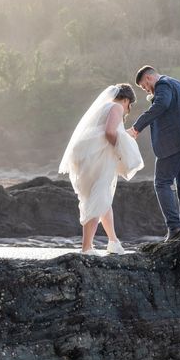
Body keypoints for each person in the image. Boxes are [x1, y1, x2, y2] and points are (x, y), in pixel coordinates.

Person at [59, 84, 144, 255]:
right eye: (130, 104)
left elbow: (102, 132)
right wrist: (121, 149)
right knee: (97, 198)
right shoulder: (116, 107)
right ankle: (87, 248)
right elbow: (109, 133)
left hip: (88, 156)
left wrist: (124, 135)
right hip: (98, 159)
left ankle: (113, 242)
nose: (128, 109)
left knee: (102, 197)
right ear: (126, 100)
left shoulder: (103, 108)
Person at [127, 66, 180, 242]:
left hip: (176, 141)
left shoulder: (163, 85)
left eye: (144, 87)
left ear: (148, 78)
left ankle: (174, 227)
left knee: (162, 183)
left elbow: (161, 105)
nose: (146, 90)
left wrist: (136, 127)